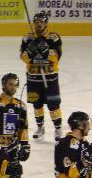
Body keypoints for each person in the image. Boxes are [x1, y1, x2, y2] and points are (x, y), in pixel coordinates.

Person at [20, 12, 63, 141]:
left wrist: (45, 50)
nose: (38, 24)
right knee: (36, 104)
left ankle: (58, 128)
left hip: (50, 77)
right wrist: (30, 50)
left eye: (41, 22)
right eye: (36, 22)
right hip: (33, 78)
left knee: (53, 104)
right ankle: (40, 127)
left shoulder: (53, 38)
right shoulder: (28, 38)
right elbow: (23, 57)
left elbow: (56, 57)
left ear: (46, 23)